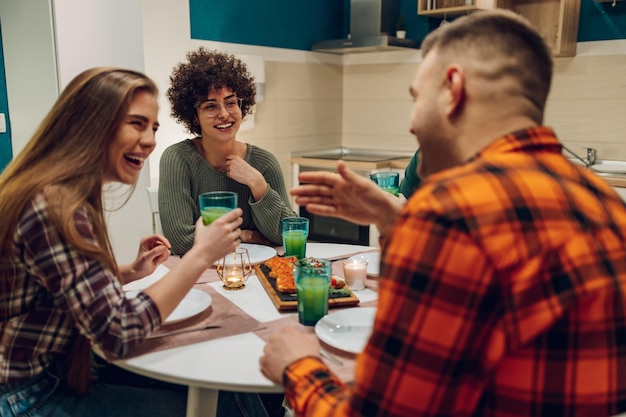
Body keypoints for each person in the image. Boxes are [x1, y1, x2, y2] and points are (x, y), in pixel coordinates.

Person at [259, 9, 626, 417]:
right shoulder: (606, 203)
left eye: (417, 98)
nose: (413, 124)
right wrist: (394, 220)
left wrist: (299, 368)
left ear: (453, 88)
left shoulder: (451, 216)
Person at [0, 67, 272, 417]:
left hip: (64, 370)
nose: (149, 140)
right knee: (223, 402)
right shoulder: (54, 206)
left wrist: (128, 271)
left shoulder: (60, 191)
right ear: (92, 123)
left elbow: (61, 286)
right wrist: (200, 255)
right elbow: (118, 332)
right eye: (136, 124)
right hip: (31, 394)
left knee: (227, 383)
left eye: (153, 127)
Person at [159, 47, 296, 255]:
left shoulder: (264, 162)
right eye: (210, 106)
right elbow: (179, 241)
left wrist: (258, 186)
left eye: (231, 102)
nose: (224, 114)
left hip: (259, 274)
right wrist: (248, 235)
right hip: (201, 276)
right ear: (194, 116)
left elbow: (290, 234)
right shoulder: (177, 159)